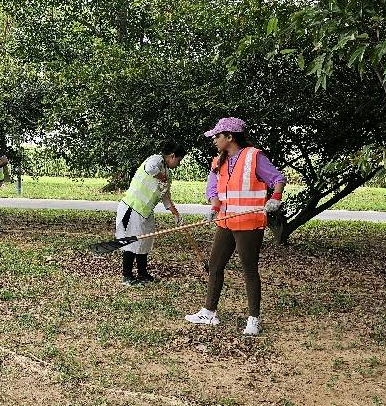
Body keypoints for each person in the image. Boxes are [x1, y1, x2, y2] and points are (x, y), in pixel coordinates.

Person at [185, 118, 286, 334]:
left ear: (230, 137)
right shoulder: (218, 161)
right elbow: (213, 188)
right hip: (226, 221)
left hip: (249, 224)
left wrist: (275, 197)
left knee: (249, 270)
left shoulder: (253, 156)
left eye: (217, 136)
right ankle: (209, 312)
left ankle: (253, 319)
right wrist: (214, 207)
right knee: (215, 266)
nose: (214, 139)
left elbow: (277, 178)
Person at [116, 141, 185, 286]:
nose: (178, 164)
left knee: (146, 242)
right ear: (172, 156)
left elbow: (166, 198)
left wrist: (176, 214)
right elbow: (149, 168)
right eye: (178, 160)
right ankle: (127, 276)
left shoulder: (167, 173)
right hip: (132, 207)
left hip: (145, 211)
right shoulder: (156, 159)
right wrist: (161, 176)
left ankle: (142, 274)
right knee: (131, 242)